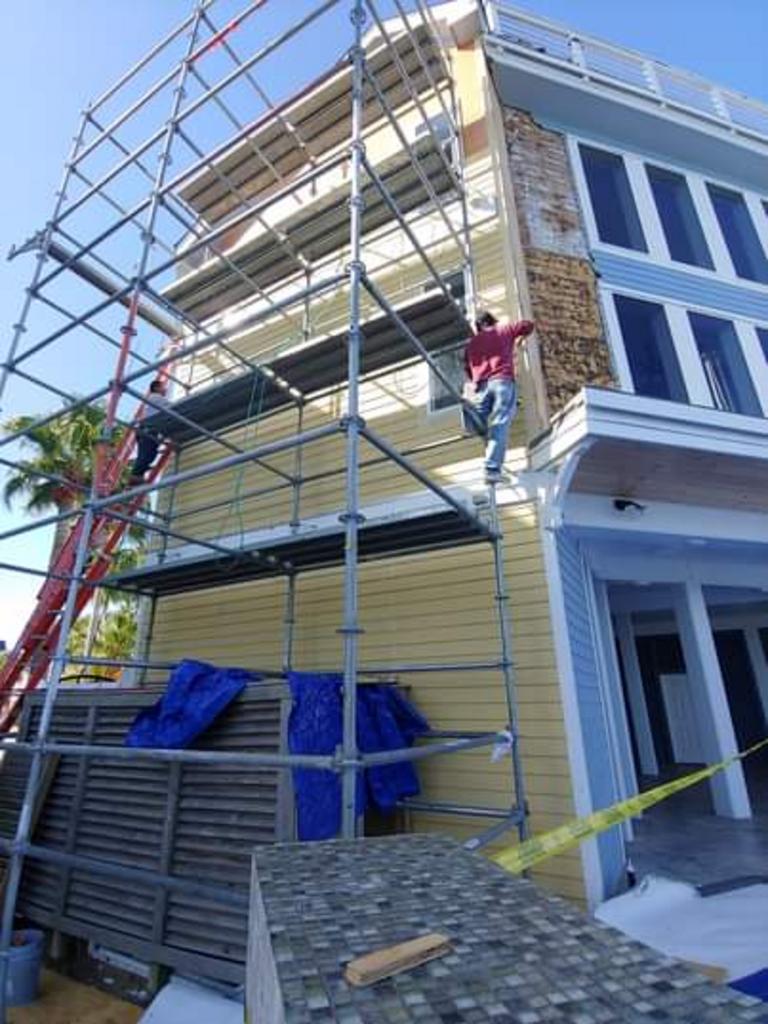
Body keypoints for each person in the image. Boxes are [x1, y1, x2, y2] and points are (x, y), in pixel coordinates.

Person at [463, 310, 535, 483]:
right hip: (502, 382)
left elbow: (467, 368)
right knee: (499, 424)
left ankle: (469, 415)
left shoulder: (471, 343)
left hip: (481, 387)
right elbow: (528, 325)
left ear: (479, 326)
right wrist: (518, 338)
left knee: (479, 423)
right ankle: (492, 469)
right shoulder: (503, 330)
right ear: (492, 322)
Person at [129, 378, 171, 485]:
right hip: (148, 429)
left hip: (148, 429)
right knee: (147, 454)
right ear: (156, 388)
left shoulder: (154, 398)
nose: (165, 389)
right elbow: (170, 407)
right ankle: (135, 476)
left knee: (150, 453)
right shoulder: (155, 397)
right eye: (163, 387)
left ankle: (138, 476)